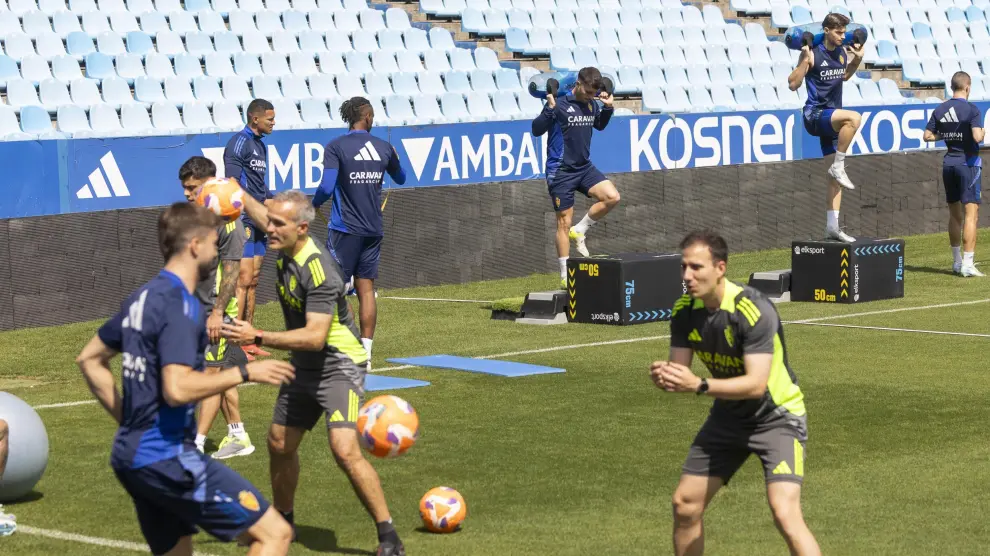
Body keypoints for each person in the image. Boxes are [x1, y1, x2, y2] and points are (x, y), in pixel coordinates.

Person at [75, 202, 295, 555]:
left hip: (131, 456)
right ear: (195, 245)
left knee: (178, 549)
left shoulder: (141, 297)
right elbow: (177, 388)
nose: (216, 253)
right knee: (274, 534)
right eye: (213, 243)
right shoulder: (181, 304)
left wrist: (128, 421)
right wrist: (244, 372)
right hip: (165, 457)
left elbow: (89, 359)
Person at [221, 190, 405, 555]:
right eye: (269, 221)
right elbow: (261, 214)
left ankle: (389, 536)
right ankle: (283, 520)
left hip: (338, 365)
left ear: (302, 228)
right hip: (304, 367)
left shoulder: (318, 270)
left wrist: (256, 335)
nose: (267, 229)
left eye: (277, 224)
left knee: (344, 450)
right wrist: (231, 189)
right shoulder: (285, 239)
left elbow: (315, 336)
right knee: (278, 442)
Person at [650, 231, 820, 556]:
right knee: (685, 505)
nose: (687, 276)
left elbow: (756, 383)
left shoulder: (751, 309)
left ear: (720, 268)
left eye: (696, 267)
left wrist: (698, 384)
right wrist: (667, 376)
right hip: (728, 417)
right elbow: (681, 371)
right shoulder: (685, 309)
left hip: (777, 418)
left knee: (784, 512)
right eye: (684, 267)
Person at [312, 97, 407, 371]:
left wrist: (312, 206)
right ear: (366, 116)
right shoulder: (384, 147)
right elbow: (400, 178)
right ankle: (365, 354)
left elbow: (327, 187)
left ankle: (347, 350)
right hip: (373, 229)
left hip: (345, 229)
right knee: (366, 290)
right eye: (373, 115)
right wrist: (394, 158)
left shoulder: (336, 146)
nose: (373, 119)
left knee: (335, 290)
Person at [178, 156, 255, 459]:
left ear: (209, 185)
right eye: (184, 188)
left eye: (191, 187)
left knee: (210, 376)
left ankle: (195, 444)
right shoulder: (194, 217)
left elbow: (233, 274)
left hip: (215, 313)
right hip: (194, 308)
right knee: (218, 374)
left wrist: (218, 313)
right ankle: (238, 435)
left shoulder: (230, 223)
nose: (186, 193)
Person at [531, 66, 621, 288]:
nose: (592, 97)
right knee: (563, 222)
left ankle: (580, 230)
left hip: (583, 167)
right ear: (578, 84)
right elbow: (536, 129)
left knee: (612, 197)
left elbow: (598, 125)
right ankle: (564, 275)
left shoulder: (591, 104)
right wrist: (549, 109)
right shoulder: (560, 104)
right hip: (560, 171)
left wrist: (608, 108)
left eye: (594, 94)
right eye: (589, 92)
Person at [788, 12, 864, 243]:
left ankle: (832, 227)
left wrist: (857, 60)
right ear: (827, 31)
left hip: (830, 117)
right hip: (815, 115)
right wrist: (804, 60)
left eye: (844, 32)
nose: (843, 36)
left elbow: (844, 77)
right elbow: (793, 84)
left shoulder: (841, 52)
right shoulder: (814, 53)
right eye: (839, 32)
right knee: (854, 118)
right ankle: (839, 165)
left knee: (835, 180)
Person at [224, 98, 276, 360]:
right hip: (243, 219)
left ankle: (249, 340)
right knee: (242, 281)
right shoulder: (239, 142)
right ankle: (235, 343)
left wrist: (274, 201)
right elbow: (232, 181)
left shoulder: (260, 146)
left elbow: (260, 186)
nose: (273, 123)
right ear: (255, 119)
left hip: (259, 221)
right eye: (270, 119)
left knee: (253, 281)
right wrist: (253, 207)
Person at [924, 71, 985, 277]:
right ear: (967, 87)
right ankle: (968, 263)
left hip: (948, 163)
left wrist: (946, 134)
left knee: (954, 216)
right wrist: (983, 132)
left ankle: (957, 262)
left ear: (952, 87)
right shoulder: (972, 109)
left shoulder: (941, 109)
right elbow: (977, 137)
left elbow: (927, 135)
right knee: (971, 215)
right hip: (967, 163)